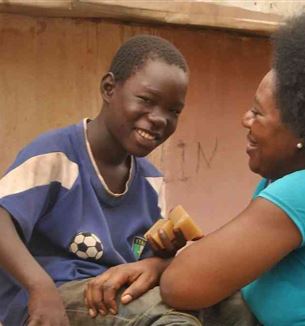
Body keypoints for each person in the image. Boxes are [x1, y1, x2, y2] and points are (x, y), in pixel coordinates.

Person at [0, 35, 201, 325]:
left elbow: (138, 252)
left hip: (114, 296)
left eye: (173, 111)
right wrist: (39, 288)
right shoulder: (56, 156)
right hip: (52, 297)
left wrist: (161, 256)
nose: (160, 119)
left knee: (228, 306)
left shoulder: (151, 180)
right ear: (109, 88)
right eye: (146, 100)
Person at [159, 12, 305, 326]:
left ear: (301, 133)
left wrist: (165, 267)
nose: (245, 120)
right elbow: (225, 264)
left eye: (258, 113)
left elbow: (181, 286)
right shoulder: (277, 179)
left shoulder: (301, 191)